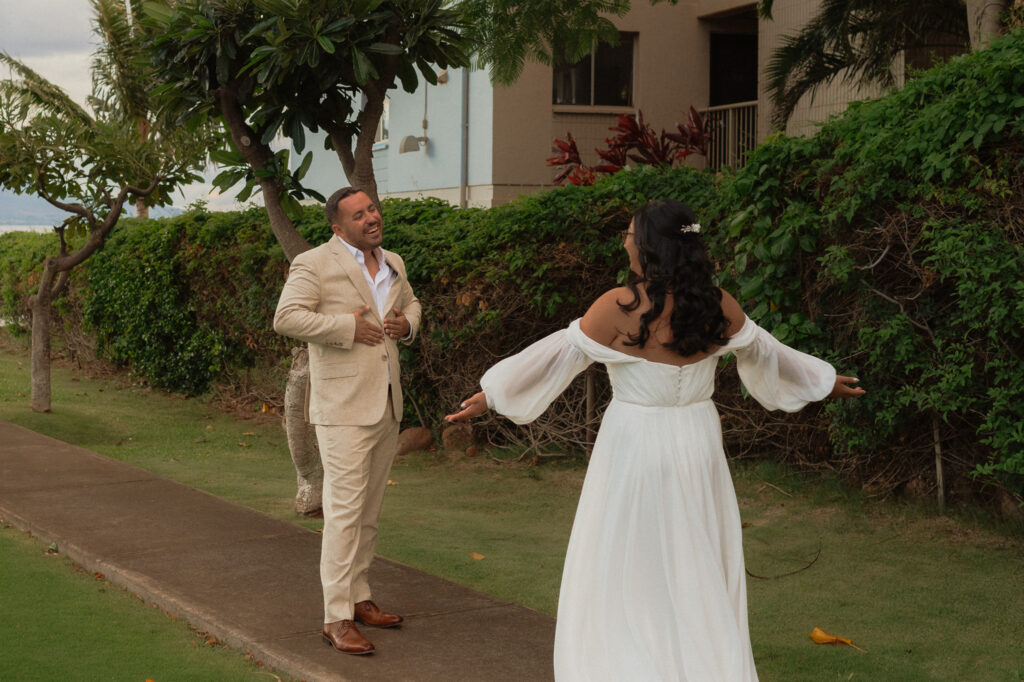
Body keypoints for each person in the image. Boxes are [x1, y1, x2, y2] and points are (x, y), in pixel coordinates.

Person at [446, 199, 864, 680]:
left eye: (629, 232)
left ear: (651, 245)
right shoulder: (717, 303)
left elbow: (556, 357)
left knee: (629, 556)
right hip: (697, 441)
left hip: (636, 444)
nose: (624, 240)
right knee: (696, 555)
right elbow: (767, 351)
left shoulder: (618, 307)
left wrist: (493, 394)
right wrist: (822, 379)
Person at [274, 187, 422, 655]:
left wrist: (407, 324)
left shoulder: (393, 259)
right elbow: (286, 317)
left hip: (386, 403)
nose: (371, 218)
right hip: (341, 409)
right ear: (338, 228)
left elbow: (412, 304)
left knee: (369, 512)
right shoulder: (314, 263)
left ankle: (360, 598)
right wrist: (346, 328)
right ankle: (335, 617)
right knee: (342, 514)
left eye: (372, 209)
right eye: (358, 216)